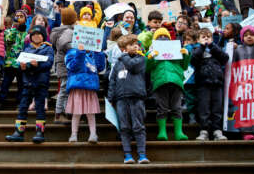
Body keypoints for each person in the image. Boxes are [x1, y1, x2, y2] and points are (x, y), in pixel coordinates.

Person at [5, 25, 54, 143]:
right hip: (27, 83)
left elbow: (48, 63)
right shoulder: (27, 49)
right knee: (22, 107)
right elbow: (24, 63)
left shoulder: (48, 49)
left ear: (43, 36)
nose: (36, 37)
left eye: (39, 34)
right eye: (34, 35)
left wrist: (37, 65)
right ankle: (19, 132)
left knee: (40, 108)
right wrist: (24, 66)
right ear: (30, 37)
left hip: (41, 83)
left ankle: (39, 132)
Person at [108, 35, 149, 164]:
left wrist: (124, 56)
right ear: (124, 48)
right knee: (124, 127)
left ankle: (142, 155)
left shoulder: (141, 59)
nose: (135, 46)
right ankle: (128, 155)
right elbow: (113, 80)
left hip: (136, 97)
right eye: (131, 44)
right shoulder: (118, 63)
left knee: (138, 126)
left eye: (136, 44)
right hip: (121, 98)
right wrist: (110, 96)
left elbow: (132, 66)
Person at [146, 28, 190, 141]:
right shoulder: (151, 52)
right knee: (162, 108)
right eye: (159, 37)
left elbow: (184, 66)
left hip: (176, 82)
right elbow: (147, 68)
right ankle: (162, 132)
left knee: (177, 107)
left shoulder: (176, 50)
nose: (162, 38)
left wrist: (185, 55)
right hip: (160, 82)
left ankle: (179, 132)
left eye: (165, 37)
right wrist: (151, 57)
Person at [191, 28, 229, 141]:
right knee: (204, 108)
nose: (206, 38)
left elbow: (225, 58)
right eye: (203, 37)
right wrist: (202, 47)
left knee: (217, 107)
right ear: (198, 40)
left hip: (217, 83)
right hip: (203, 83)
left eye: (209, 36)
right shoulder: (196, 49)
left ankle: (217, 130)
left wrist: (212, 46)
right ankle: (204, 130)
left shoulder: (216, 49)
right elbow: (193, 60)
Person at [65, 44, 106, 143]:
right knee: (76, 112)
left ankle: (93, 134)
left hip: (90, 86)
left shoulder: (93, 54)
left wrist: (99, 53)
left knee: (91, 112)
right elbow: (73, 66)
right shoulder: (71, 52)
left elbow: (100, 67)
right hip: (77, 86)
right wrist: (81, 52)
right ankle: (74, 134)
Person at [0, 10, 28, 109]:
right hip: (10, 62)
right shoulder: (9, 31)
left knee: (21, 84)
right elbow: (8, 40)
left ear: (25, 19)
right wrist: (14, 29)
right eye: (17, 16)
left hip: (22, 62)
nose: (18, 18)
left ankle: (19, 102)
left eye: (21, 16)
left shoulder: (27, 33)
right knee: (5, 83)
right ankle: (1, 101)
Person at [50, 8, 77, 124]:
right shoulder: (67, 31)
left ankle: (66, 113)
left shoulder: (64, 30)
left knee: (67, 89)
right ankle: (59, 114)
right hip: (66, 65)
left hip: (65, 64)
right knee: (64, 89)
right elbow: (65, 44)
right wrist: (78, 47)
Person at [236, 25, 254, 140]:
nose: (249, 37)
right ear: (242, 38)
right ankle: (247, 132)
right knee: (246, 109)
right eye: (246, 35)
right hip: (244, 86)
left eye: (251, 35)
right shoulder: (238, 50)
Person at [183, 29, 200, 125]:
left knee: (196, 99)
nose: (186, 42)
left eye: (189, 40)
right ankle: (192, 116)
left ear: (195, 40)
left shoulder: (196, 48)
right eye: (185, 40)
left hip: (195, 78)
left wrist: (187, 47)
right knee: (190, 99)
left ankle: (195, 116)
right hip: (188, 79)